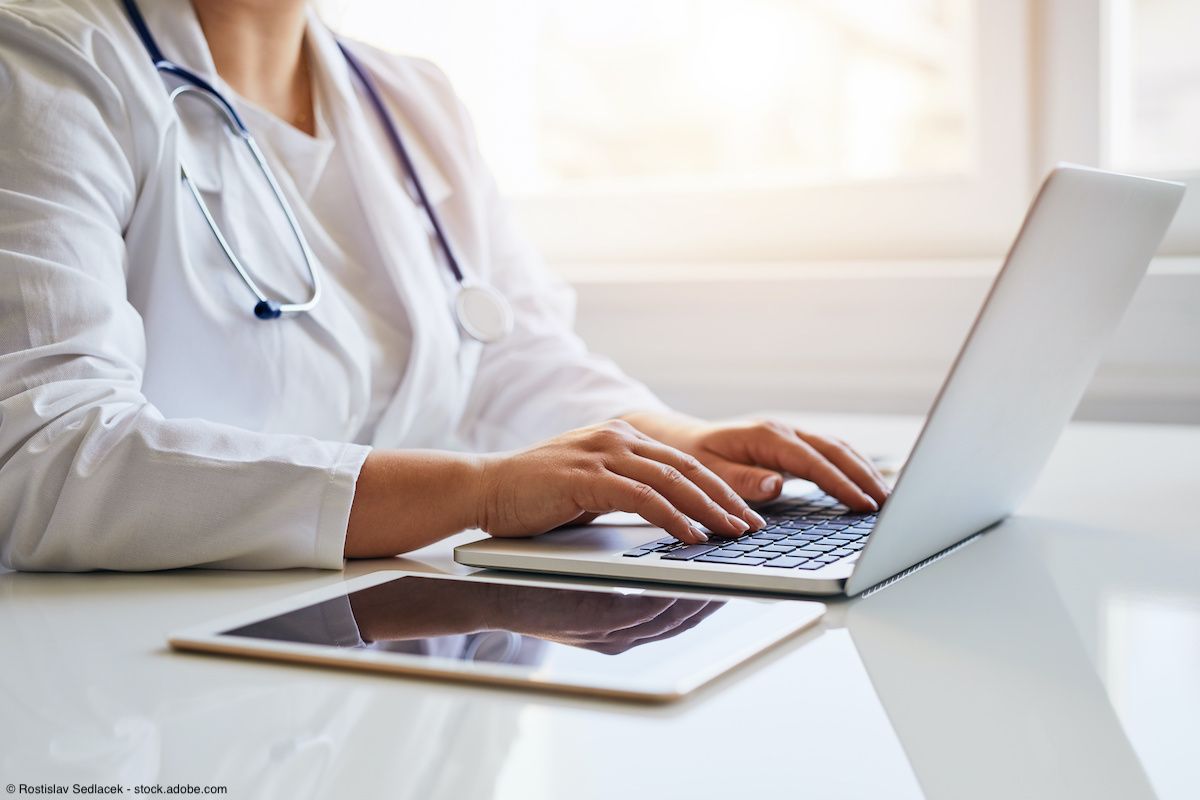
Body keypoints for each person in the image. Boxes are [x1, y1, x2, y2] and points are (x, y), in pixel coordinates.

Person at [0, 0, 889, 572]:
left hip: (382, 645)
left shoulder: (408, 97)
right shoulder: (45, 63)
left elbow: (513, 362)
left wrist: (681, 445)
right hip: (141, 686)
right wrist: (480, 490)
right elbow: (42, 460)